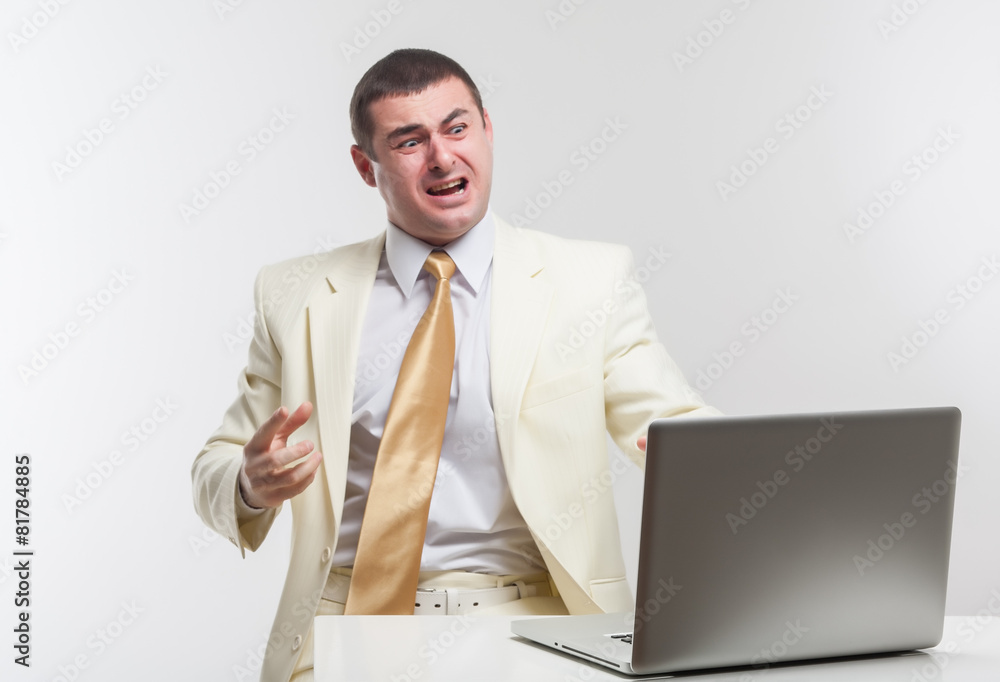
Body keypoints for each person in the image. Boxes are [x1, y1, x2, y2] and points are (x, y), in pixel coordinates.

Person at [192, 48, 718, 682]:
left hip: (538, 627)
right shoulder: (294, 293)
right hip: (344, 628)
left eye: (457, 128)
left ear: (487, 130)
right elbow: (216, 467)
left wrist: (712, 465)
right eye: (409, 141)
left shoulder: (589, 282)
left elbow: (681, 432)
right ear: (365, 165)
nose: (442, 157)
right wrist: (249, 484)